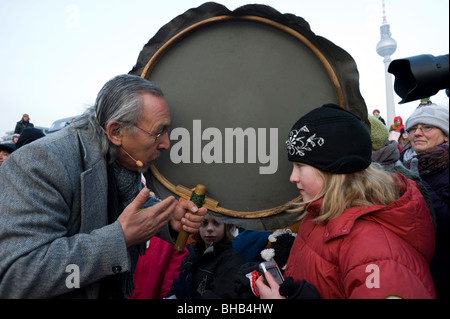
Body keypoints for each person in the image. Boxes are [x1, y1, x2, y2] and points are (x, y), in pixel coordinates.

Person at [0, 74, 207, 298]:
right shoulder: (41, 161)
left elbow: (128, 201)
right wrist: (120, 238)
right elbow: (19, 277)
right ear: (116, 132)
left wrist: (170, 220)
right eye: (158, 132)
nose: (166, 143)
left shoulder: (120, 162)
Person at [256, 104, 436, 299]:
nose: (293, 177)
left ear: (334, 170)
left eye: (300, 166)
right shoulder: (322, 216)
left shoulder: (376, 252)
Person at [400, 103, 449, 299]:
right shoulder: (404, 163)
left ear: (446, 134)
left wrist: (419, 185)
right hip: (416, 270)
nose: (417, 133)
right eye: (413, 128)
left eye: (427, 127)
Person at [167, 213, 243, 299]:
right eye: (204, 222)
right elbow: (175, 284)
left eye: (217, 222)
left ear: (226, 226)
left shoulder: (231, 260)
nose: (210, 229)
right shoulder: (190, 251)